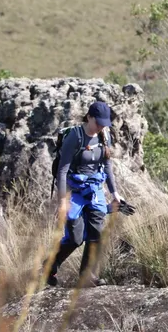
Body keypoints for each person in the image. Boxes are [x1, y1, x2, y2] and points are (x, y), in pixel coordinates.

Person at [47, 101, 125, 288]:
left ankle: (87, 276)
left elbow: (107, 166)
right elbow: (62, 171)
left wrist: (115, 193)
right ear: (89, 117)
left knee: (96, 233)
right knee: (75, 238)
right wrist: (62, 201)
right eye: (98, 122)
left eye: (104, 123)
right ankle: (49, 268)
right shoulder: (74, 137)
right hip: (74, 190)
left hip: (95, 190)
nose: (101, 126)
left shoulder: (104, 135)